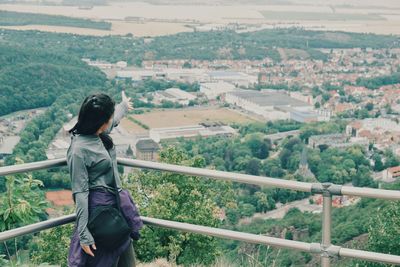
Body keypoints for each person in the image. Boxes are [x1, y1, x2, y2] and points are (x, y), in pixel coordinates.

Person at [66, 92, 142, 267]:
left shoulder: (98, 132)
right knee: (104, 260)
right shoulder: (79, 150)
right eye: (110, 116)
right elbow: (81, 193)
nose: (111, 120)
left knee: (127, 260)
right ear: (101, 122)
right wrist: (84, 234)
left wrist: (123, 106)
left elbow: (113, 120)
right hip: (100, 217)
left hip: (116, 211)